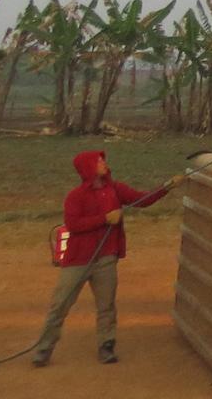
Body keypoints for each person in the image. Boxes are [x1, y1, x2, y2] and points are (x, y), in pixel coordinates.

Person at [34, 151, 184, 367]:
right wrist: (104, 219)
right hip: (77, 260)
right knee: (59, 305)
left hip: (106, 258)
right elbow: (74, 225)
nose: (104, 163)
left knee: (106, 306)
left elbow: (142, 200)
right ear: (87, 167)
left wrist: (168, 186)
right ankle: (43, 348)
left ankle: (107, 345)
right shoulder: (75, 196)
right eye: (98, 160)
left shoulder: (115, 189)